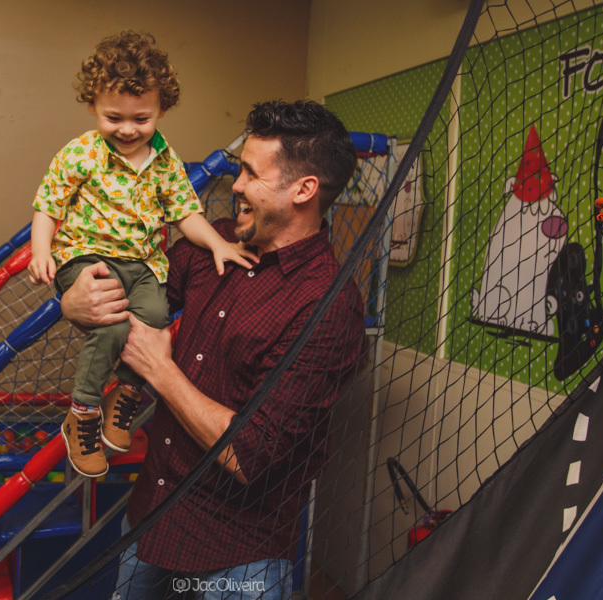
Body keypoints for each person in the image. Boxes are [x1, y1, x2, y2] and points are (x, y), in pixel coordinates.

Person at [62, 99, 367, 599]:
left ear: (303, 190)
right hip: (151, 521)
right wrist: (78, 303)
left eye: (250, 173)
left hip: (237, 556)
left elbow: (254, 456)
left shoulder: (328, 308)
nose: (238, 186)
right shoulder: (213, 245)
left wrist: (161, 373)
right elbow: (131, 321)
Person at [28, 31, 255, 477]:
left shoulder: (164, 158)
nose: (128, 129)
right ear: (93, 104)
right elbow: (48, 205)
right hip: (85, 257)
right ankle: (84, 412)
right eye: (114, 117)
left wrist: (218, 243)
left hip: (143, 264)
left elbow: (185, 213)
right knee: (112, 327)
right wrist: (41, 252)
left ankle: (125, 395)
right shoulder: (80, 153)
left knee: (155, 322)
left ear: (161, 111)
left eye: (142, 118)